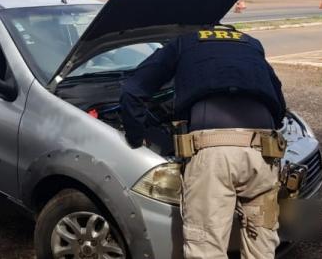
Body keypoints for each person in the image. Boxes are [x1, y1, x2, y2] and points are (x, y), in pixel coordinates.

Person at [120, 27, 286, 259]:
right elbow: (278, 104)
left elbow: (132, 90)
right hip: (264, 155)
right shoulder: (249, 43)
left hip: (214, 158)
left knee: (206, 248)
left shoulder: (183, 43)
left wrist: (137, 137)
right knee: (262, 244)